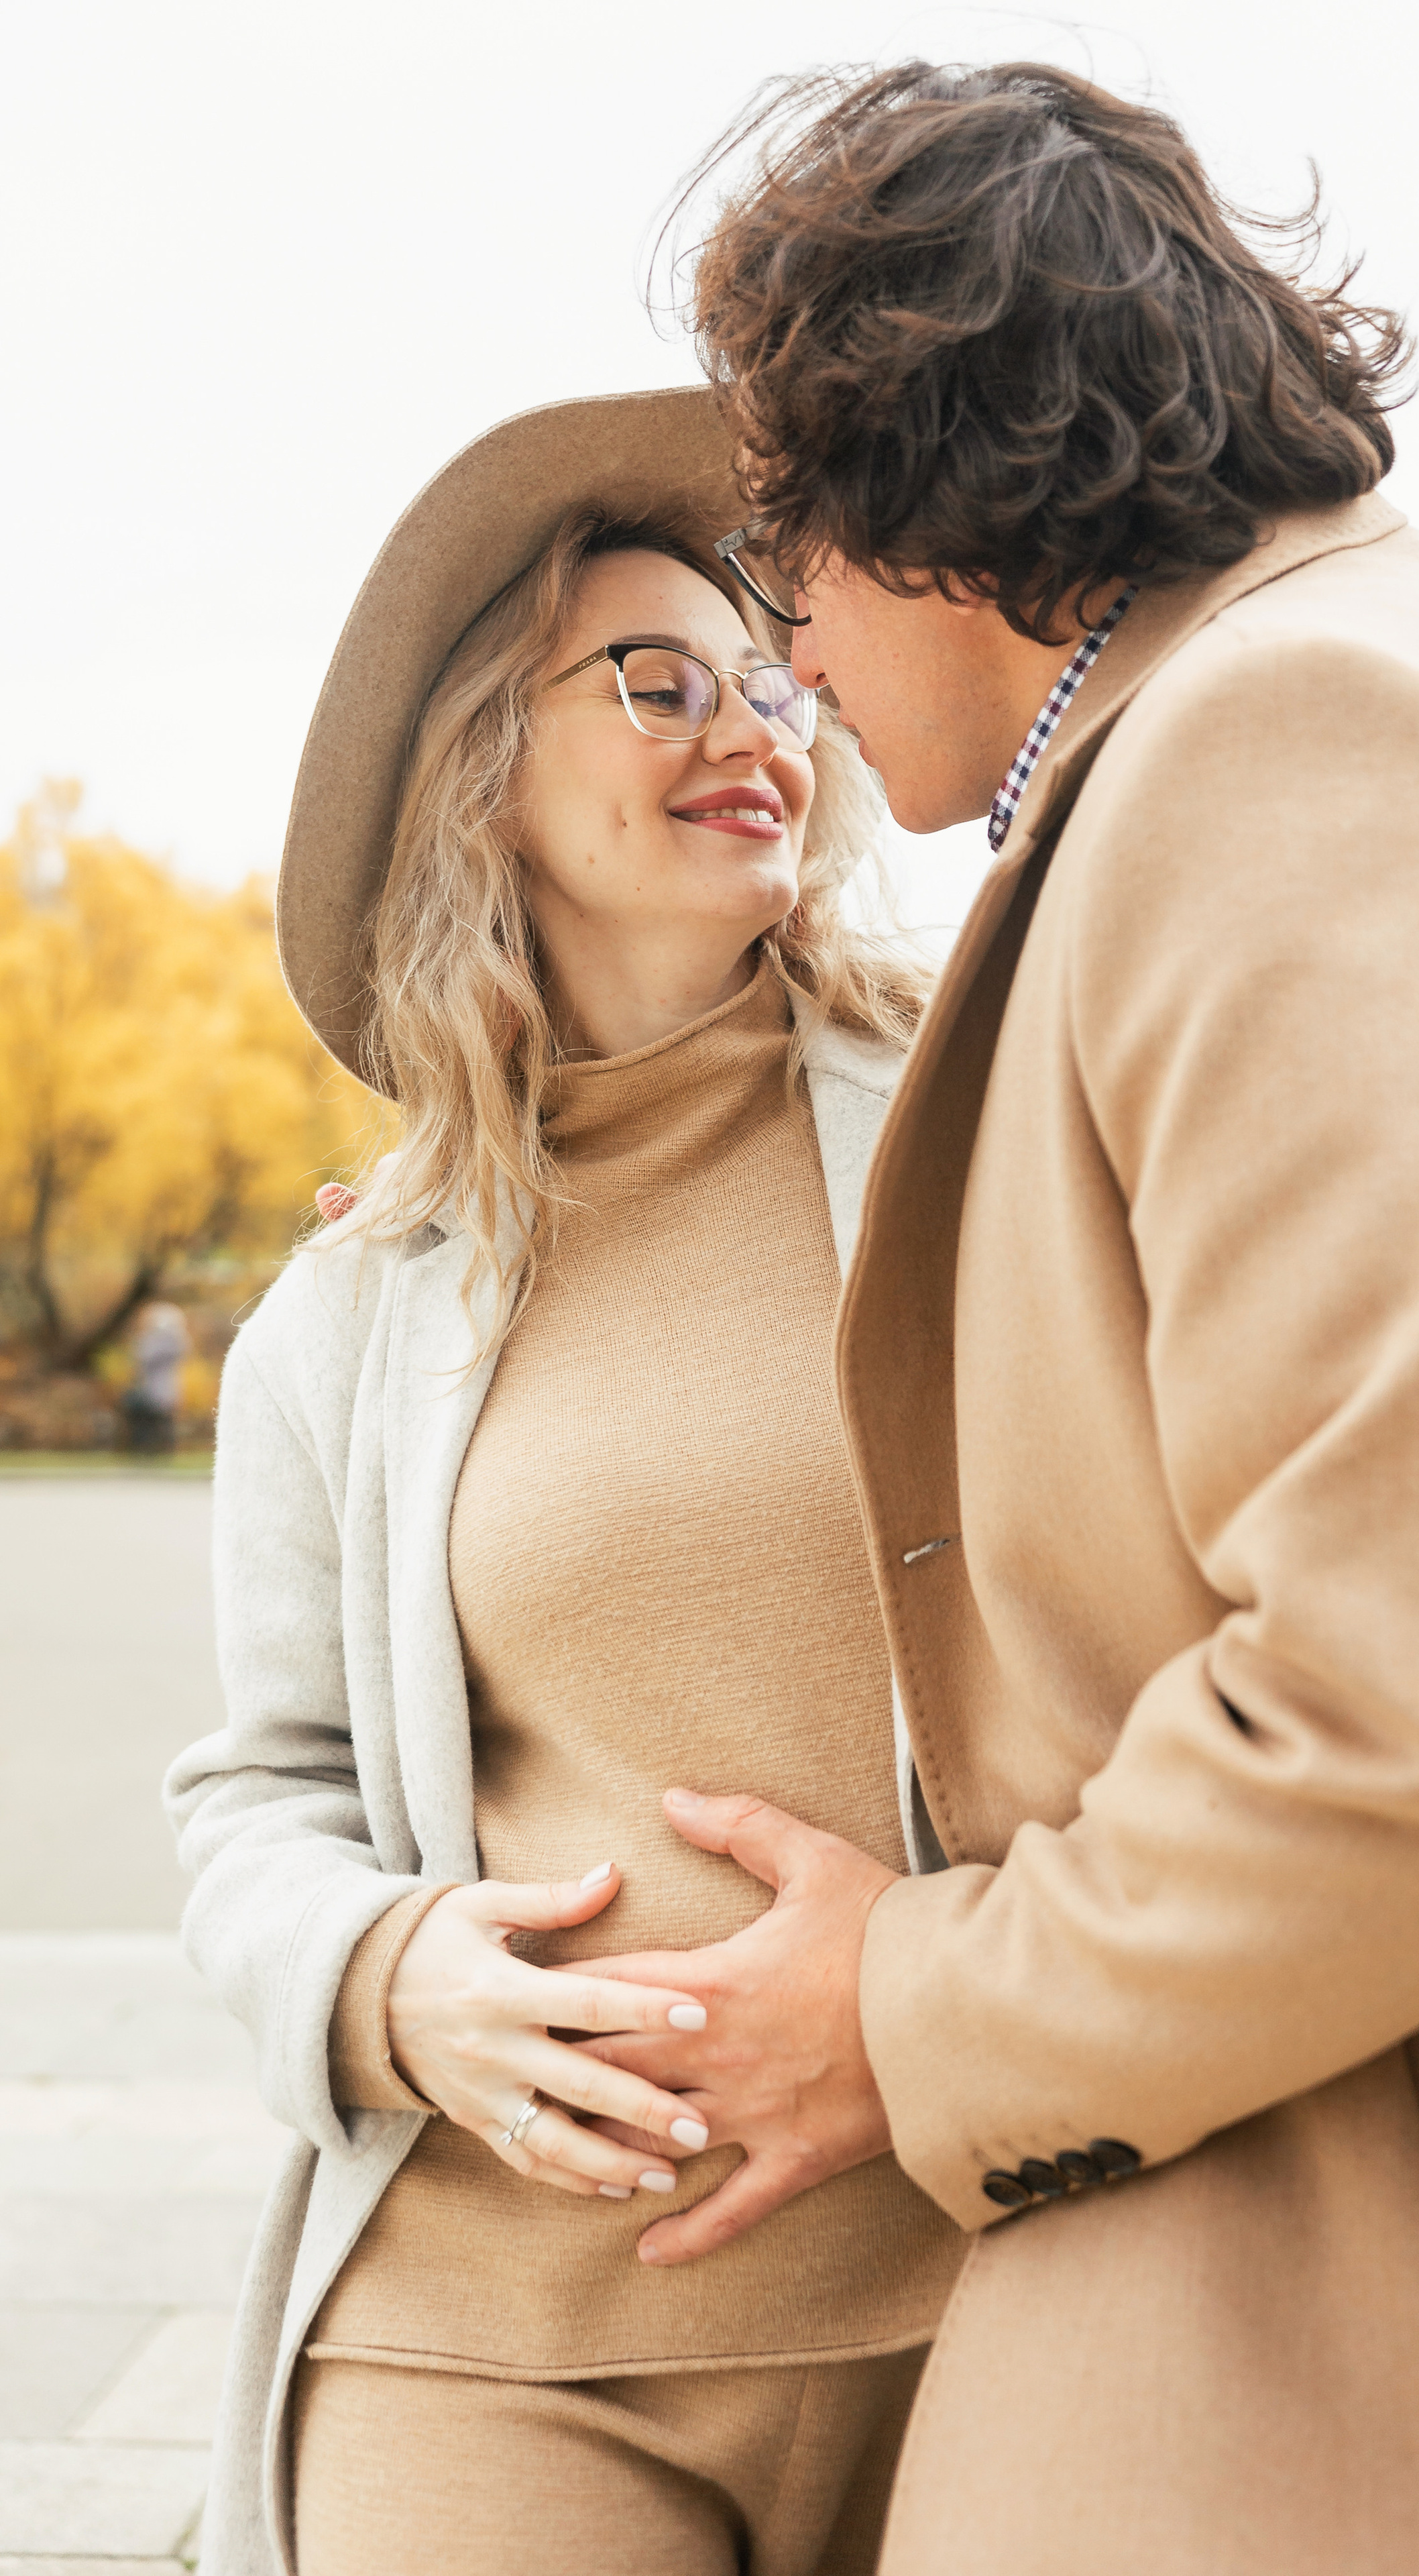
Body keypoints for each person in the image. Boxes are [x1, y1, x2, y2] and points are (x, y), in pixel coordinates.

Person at [562, 63, 1419, 2571]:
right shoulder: (1335, 697)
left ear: (925, 475)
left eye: (791, 551)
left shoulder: (1300, 744)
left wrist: (903, 2012)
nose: (792, 648)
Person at [164, 392, 964, 2576]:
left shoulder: (983, 1138)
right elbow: (261, 1794)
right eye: (656, 680)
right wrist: (378, 1976)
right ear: (483, 778)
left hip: (990, 2290)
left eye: (774, 675)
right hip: (486, 2337)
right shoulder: (348, 1314)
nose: (754, 724)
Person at [121, 1298, 190, 1452]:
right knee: (152, 1423)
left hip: (158, 1391)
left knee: (159, 1423)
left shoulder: (165, 1343)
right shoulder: (168, 1343)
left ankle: (157, 1449)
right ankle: (150, 1449)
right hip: (153, 1390)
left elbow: (143, 1357)